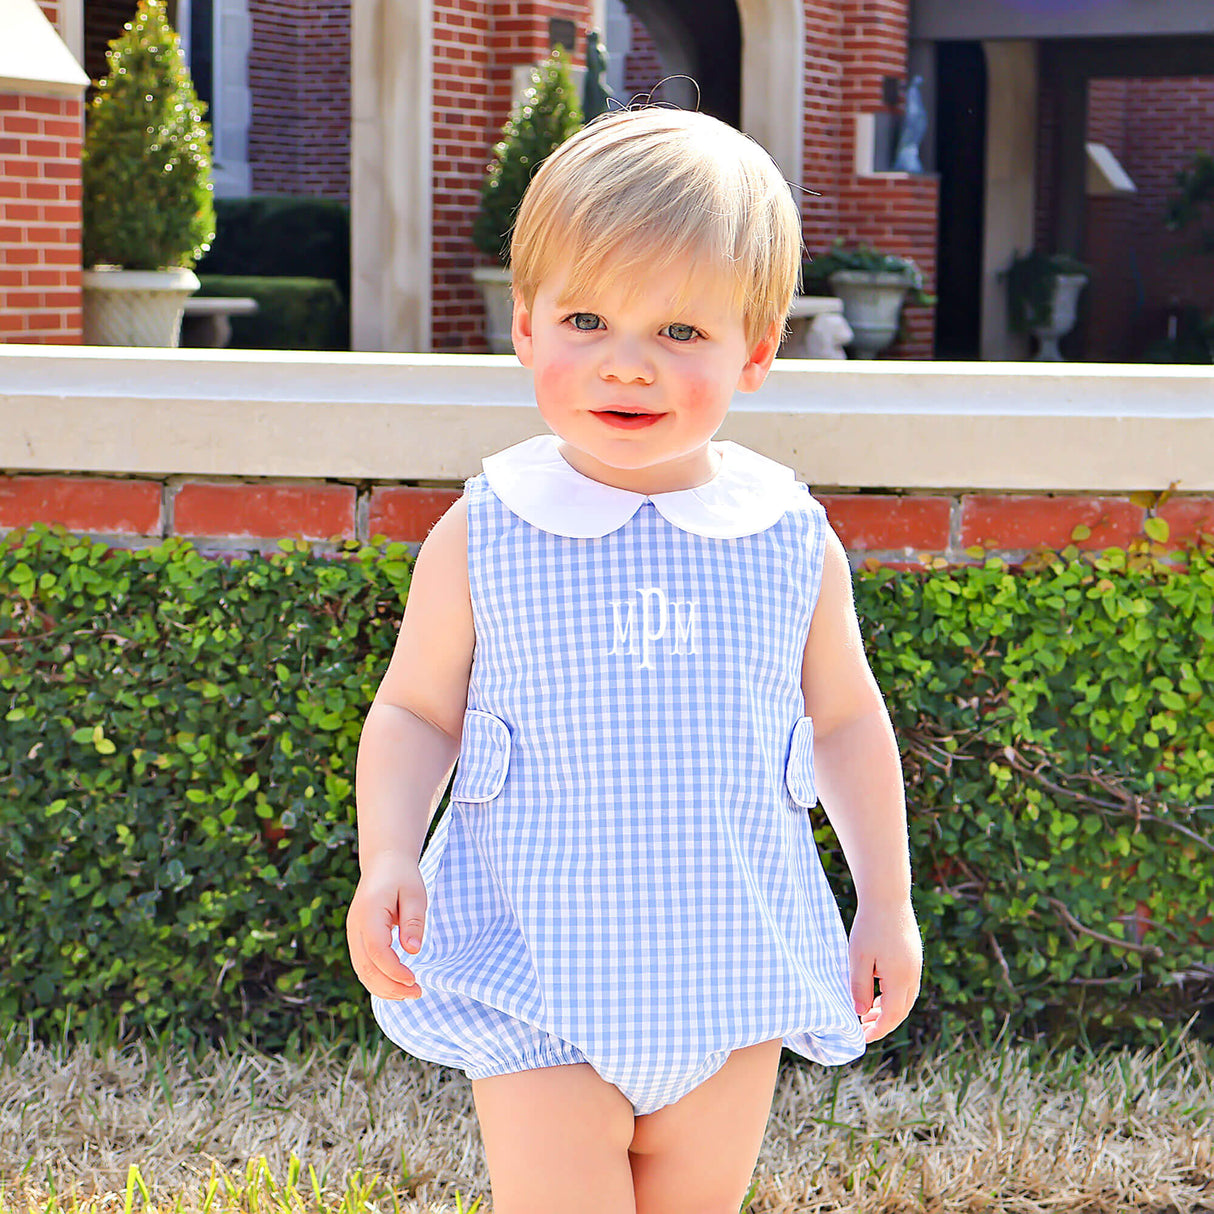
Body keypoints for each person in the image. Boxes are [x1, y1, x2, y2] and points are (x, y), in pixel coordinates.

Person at [346, 106, 921, 1214]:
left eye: (679, 332)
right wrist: (389, 853)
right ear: (523, 327)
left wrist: (882, 900)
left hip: (727, 967)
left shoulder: (785, 538)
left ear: (755, 350)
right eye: (587, 318)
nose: (627, 364)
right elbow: (417, 711)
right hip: (537, 970)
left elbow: (846, 720)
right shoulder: (489, 528)